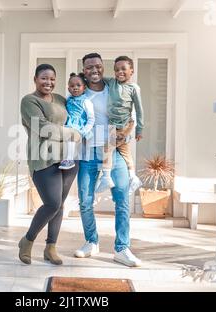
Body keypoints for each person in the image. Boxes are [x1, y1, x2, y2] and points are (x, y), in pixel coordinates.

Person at [74, 53, 142, 267]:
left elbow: (130, 114)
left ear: (103, 68)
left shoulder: (115, 88)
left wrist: (130, 131)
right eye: (88, 67)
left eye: (97, 66)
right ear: (84, 70)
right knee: (85, 201)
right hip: (87, 153)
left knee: (122, 200)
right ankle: (91, 242)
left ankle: (122, 248)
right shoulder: (79, 93)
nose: (93, 70)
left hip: (113, 152)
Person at [18, 64, 81, 265]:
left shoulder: (62, 100)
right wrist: (72, 133)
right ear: (35, 79)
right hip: (43, 159)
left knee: (59, 205)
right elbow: (43, 128)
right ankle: (27, 241)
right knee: (52, 203)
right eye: (44, 78)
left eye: (52, 79)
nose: (48, 82)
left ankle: (50, 247)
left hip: (68, 158)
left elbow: (77, 117)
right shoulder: (29, 101)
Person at [95, 55, 144, 193]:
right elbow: (97, 78)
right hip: (112, 125)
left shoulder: (134, 88)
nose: (119, 72)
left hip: (123, 125)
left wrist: (140, 129)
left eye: (123, 69)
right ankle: (133, 178)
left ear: (132, 71)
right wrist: (84, 76)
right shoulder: (111, 82)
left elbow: (140, 110)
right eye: (116, 69)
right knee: (125, 152)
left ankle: (106, 178)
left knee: (107, 148)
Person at [59, 72, 95, 170]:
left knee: (71, 138)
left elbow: (91, 119)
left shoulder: (86, 101)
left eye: (78, 85)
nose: (75, 87)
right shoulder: (68, 98)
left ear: (84, 88)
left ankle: (70, 160)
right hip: (68, 123)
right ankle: (65, 157)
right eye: (72, 86)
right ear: (68, 88)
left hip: (78, 126)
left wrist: (84, 130)